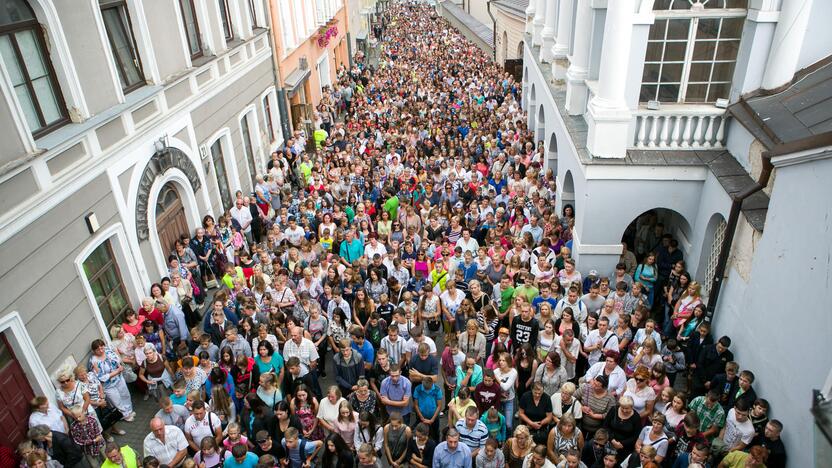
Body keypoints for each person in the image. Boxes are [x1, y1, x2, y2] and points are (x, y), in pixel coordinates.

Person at [413, 376, 443, 440]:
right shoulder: (418, 389)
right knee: (420, 433)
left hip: (434, 418)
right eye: (425, 388)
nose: (427, 390)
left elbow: (439, 406)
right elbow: (416, 405)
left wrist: (432, 419)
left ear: (432, 384)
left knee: (436, 433)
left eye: (428, 388)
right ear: (422, 383)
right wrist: (421, 418)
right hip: (421, 417)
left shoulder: (437, 389)